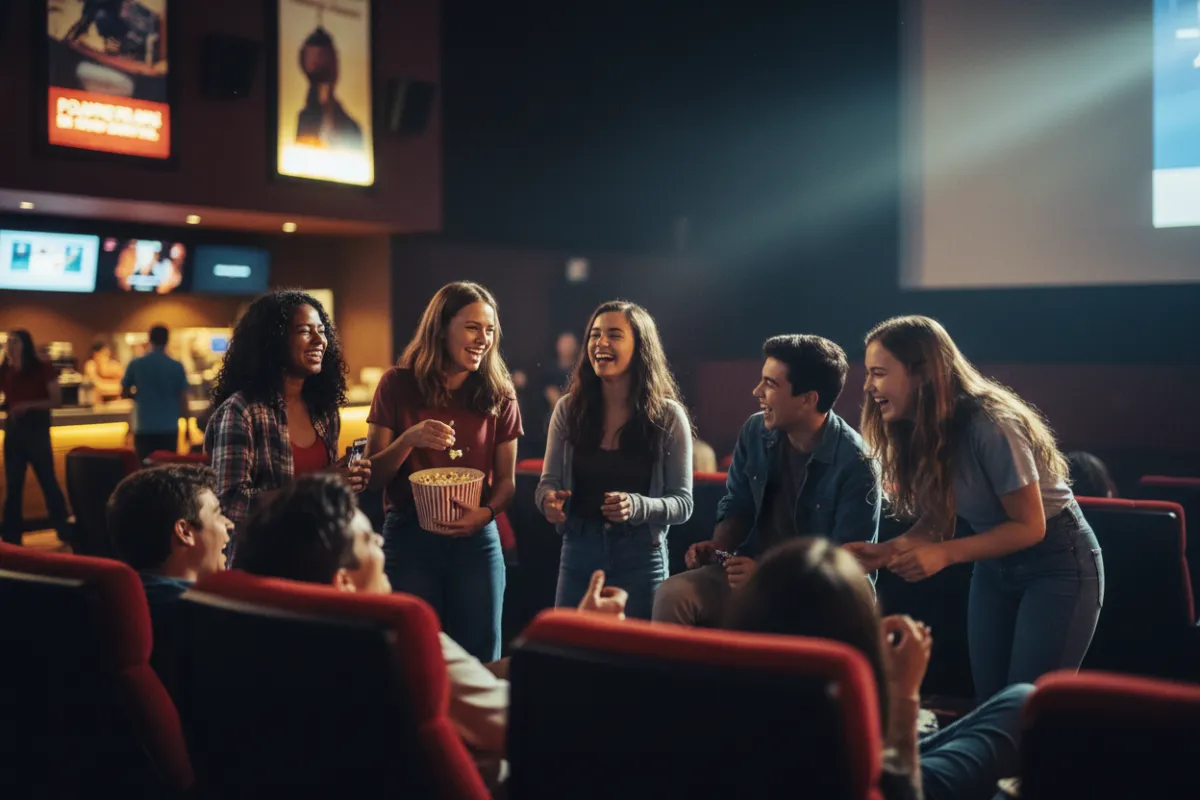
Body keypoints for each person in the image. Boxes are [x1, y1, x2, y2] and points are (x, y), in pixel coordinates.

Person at [234, 473, 627, 793]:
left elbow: (459, 682)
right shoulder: (400, 637)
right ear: (343, 582)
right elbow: (532, 725)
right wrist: (585, 636)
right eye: (369, 538)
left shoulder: (281, 638)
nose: (381, 542)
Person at [848, 315, 1103, 701]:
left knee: (1025, 706)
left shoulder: (992, 423)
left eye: (878, 373)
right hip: (993, 569)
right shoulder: (914, 428)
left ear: (922, 373)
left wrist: (943, 554)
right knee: (990, 704)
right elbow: (939, 519)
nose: (868, 386)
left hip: (1057, 564)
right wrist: (887, 552)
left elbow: (1030, 526)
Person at [726, 537, 1032, 800]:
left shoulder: (721, 689)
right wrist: (904, 696)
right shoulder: (835, 694)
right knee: (1025, 704)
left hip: (844, 763)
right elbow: (895, 787)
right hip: (880, 780)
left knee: (1018, 700)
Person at [652, 334, 881, 627]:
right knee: (673, 594)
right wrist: (718, 547)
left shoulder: (858, 463)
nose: (756, 391)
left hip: (821, 595)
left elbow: (844, 569)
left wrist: (767, 577)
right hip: (752, 574)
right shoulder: (755, 430)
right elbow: (738, 504)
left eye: (770, 384)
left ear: (808, 399)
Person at [366, 282, 523, 662]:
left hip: (477, 538)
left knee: (481, 655)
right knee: (412, 655)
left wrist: (484, 515)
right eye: (472, 327)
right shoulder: (397, 384)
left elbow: (506, 483)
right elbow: (372, 477)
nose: (482, 339)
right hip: (409, 533)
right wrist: (409, 440)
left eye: (489, 330)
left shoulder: (499, 393)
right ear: (440, 328)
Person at [536, 301, 693, 619]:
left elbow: (683, 503)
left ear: (640, 346)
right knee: (565, 651)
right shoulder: (568, 409)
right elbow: (547, 484)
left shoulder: (668, 415)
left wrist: (637, 505)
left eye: (614, 335)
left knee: (635, 659)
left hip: (641, 553)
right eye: (594, 335)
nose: (600, 343)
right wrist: (549, 502)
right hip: (579, 548)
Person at [205, 290, 371, 544]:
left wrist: (343, 480)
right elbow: (230, 503)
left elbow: (322, 490)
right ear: (273, 341)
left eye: (322, 330)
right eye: (305, 331)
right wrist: (316, 485)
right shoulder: (242, 411)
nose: (319, 340)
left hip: (318, 550)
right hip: (264, 558)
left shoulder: (323, 410)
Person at [106, 464, 232, 693]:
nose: (229, 525)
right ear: (184, 532)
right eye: (217, 514)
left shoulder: (110, 606)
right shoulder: (211, 621)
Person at [0, 330, 70, 546]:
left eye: (15, 341)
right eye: (8, 342)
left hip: (36, 431)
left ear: (25, 344)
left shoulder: (42, 367)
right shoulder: (5, 369)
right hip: (13, 431)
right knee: (13, 486)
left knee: (48, 482)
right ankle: (11, 538)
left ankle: (65, 531)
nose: (10, 345)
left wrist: (28, 405)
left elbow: (56, 400)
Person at [122, 325, 190, 461]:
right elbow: (183, 399)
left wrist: (139, 396)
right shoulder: (176, 366)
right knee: (167, 468)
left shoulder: (136, 364)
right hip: (169, 427)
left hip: (143, 427)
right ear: (167, 341)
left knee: (144, 469)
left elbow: (124, 392)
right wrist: (187, 426)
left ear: (149, 340)